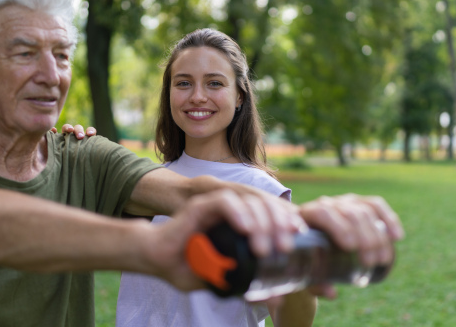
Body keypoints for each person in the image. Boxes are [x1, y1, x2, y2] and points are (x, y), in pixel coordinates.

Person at [0, 0, 403, 327]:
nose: (51, 76)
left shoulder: (85, 158)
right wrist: (150, 248)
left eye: (62, 55)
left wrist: (298, 222)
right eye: (25, 53)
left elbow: (191, 192)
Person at [114, 29, 372, 326]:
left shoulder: (262, 193)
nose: (197, 96)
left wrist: (301, 267)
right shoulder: (146, 183)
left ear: (239, 96)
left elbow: (293, 322)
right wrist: (63, 148)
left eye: (214, 83)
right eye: (183, 83)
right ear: (168, 93)